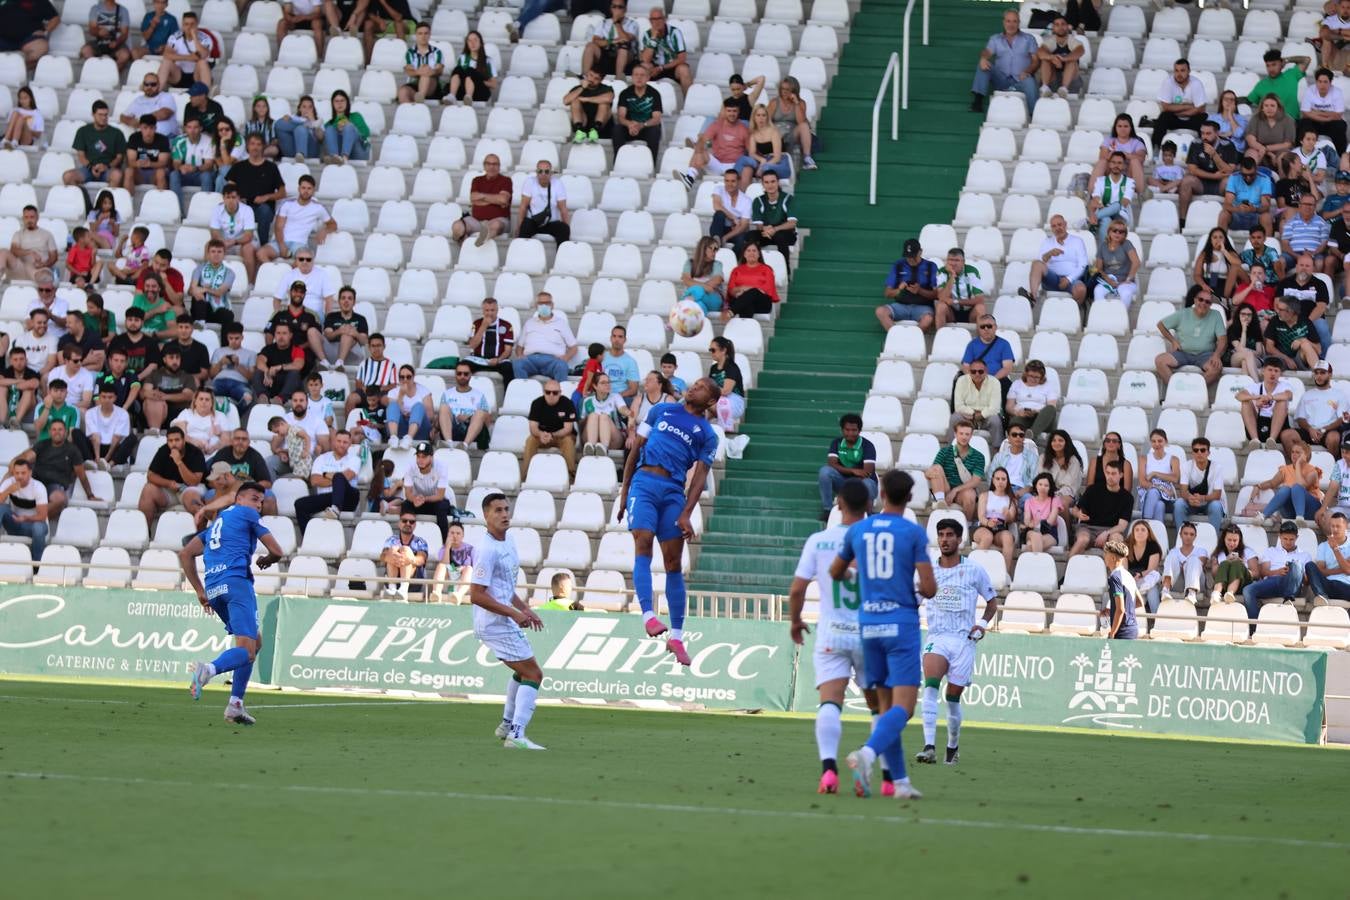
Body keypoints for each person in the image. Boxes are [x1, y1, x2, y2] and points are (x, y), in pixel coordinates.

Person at [833, 469, 936, 800]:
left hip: (869, 625)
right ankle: (867, 753)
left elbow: (836, 571)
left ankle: (901, 783)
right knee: (903, 709)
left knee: (885, 708)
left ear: (880, 492)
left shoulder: (859, 530)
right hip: (900, 624)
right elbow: (930, 588)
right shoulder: (913, 533)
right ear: (909, 497)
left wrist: (864, 570)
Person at [617, 378, 719, 666]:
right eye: (695, 383)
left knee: (674, 563)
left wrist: (687, 511)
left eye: (701, 387)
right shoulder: (662, 411)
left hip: (673, 491)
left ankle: (676, 636)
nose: (694, 387)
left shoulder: (707, 434)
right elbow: (636, 447)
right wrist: (625, 492)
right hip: (644, 483)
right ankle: (648, 615)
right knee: (643, 543)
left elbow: (699, 477)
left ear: (710, 401)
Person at [181, 482, 283, 724]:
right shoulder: (246, 514)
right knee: (247, 650)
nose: (258, 505)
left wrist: (199, 590)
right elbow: (277, 550)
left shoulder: (217, 523)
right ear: (239, 500)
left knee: (253, 642)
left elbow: (185, 554)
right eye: (254, 499)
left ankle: (235, 705)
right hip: (237, 584)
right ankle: (208, 670)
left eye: (261, 501)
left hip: (215, 589)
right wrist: (268, 559)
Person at [916, 518, 997, 767]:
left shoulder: (974, 570)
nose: (944, 539)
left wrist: (981, 625)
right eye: (941, 535)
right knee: (930, 686)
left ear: (959, 539)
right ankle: (929, 746)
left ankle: (952, 747)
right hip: (937, 637)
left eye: (950, 535)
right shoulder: (928, 569)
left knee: (952, 700)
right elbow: (915, 598)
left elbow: (992, 602)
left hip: (963, 641)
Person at [471, 493, 548, 749]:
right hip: (494, 623)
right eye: (497, 510)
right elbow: (476, 595)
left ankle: (507, 725)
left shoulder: (509, 540)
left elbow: (504, 586)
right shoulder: (487, 549)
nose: (504, 514)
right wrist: (514, 614)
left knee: (523, 671)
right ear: (486, 516)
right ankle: (516, 734)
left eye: (506, 509)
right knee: (533, 674)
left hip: (505, 619)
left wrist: (525, 608)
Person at [968, 9, 1038, 113]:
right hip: (1001, 79)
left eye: (1014, 21)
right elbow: (987, 52)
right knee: (983, 65)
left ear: (1019, 23)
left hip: (1021, 79)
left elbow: (1036, 61)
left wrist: (1027, 71)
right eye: (1008, 21)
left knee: (1030, 81)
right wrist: (983, 59)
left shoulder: (1029, 39)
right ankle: (977, 102)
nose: (1011, 24)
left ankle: (1034, 114)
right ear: (1003, 22)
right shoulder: (995, 39)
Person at [1242, 521, 1310, 627]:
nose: (1288, 542)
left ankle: (1288, 597)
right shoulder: (1271, 551)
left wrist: (1296, 571)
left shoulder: (1305, 555)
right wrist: (1278, 572)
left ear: (1297, 537)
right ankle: (1254, 627)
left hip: (1292, 584)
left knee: (1296, 565)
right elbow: (1263, 572)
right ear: (1279, 536)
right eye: (1285, 539)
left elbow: (1306, 581)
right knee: (1247, 590)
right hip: (1273, 582)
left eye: (1291, 539)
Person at [294, 428, 362, 534]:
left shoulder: (355, 459)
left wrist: (326, 475)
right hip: (328, 497)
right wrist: (336, 480)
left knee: (339, 477)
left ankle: (335, 509)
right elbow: (315, 481)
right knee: (299, 504)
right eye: (339, 441)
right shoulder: (321, 458)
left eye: (345, 442)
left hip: (348, 497)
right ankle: (309, 537)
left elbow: (347, 477)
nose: (341, 444)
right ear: (334, 442)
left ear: (350, 444)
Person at [138, 425, 209, 524]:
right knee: (148, 489)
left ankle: (200, 536)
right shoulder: (163, 450)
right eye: (170, 441)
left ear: (184, 440)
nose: (174, 444)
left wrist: (179, 462)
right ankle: (144, 533)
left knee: (191, 498)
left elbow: (194, 482)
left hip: (192, 489)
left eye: (177, 440)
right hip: (170, 490)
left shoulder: (195, 453)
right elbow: (150, 476)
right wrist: (168, 483)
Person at [227, 135, 287, 249]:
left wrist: (266, 197)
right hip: (241, 206)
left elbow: (282, 192)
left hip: (262, 208)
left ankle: (263, 245)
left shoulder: (271, 167)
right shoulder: (238, 167)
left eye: (259, 144)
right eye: (252, 144)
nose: (255, 147)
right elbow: (229, 189)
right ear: (248, 147)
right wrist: (237, 199)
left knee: (264, 211)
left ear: (263, 147)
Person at [1155, 290, 1226, 385]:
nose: (1203, 303)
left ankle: (1195, 389)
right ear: (1195, 300)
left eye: (1207, 302)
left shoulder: (1216, 315)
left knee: (1216, 368)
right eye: (1201, 299)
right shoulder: (1183, 313)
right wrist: (1173, 341)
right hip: (1183, 353)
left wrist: (1216, 355)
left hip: (1205, 355)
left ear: (1210, 304)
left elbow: (1223, 339)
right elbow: (1161, 325)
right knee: (1160, 360)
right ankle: (1174, 389)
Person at [677, 98, 750, 189]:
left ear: (738, 112)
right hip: (717, 164)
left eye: (734, 111)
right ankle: (689, 178)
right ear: (725, 111)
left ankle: (741, 196)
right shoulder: (716, 125)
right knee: (700, 150)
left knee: (747, 167)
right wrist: (699, 150)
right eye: (729, 111)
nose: (732, 114)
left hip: (734, 166)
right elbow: (703, 140)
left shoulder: (743, 129)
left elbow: (750, 151)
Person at [1178, 120, 1238, 228]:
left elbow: (1229, 171)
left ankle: (1229, 221)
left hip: (1220, 183)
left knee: (1230, 182)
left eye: (1208, 133)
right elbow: (1192, 169)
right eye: (1202, 133)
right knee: (1186, 181)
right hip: (1200, 183)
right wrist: (1213, 176)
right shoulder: (1196, 144)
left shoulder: (1228, 145)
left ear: (1217, 133)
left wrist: (1214, 155)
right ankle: (1182, 222)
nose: (1204, 136)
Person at [818, 413, 877, 520]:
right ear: (842, 430)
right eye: (847, 430)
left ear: (859, 431)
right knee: (825, 472)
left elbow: (867, 472)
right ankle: (828, 510)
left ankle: (868, 513)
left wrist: (854, 474)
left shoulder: (868, 445)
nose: (850, 433)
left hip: (862, 484)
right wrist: (853, 471)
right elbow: (831, 464)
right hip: (843, 483)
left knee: (868, 483)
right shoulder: (836, 443)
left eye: (854, 430)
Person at [1284, 360, 1348, 457]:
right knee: (1286, 435)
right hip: (1309, 431)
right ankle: (1297, 467)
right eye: (1316, 373)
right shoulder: (1307, 395)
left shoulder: (1339, 395)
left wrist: (1324, 429)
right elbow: (1300, 418)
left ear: (1330, 375)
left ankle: (1332, 467)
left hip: (1328, 431)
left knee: (1334, 438)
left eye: (1322, 373)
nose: (1319, 376)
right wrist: (1310, 429)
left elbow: (1342, 419)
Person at [1021, 214, 1089, 306]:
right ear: (1051, 229)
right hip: (1052, 280)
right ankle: (1032, 298)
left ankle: (1072, 312)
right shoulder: (1047, 242)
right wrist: (1049, 254)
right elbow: (1040, 262)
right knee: (1036, 264)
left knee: (1081, 290)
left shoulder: (1077, 241)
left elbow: (1083, 265)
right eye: (1054, 226)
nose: (1057, 228)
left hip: (1071, 280)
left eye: (1059, 224)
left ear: (1065, 224)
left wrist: (1068, 279)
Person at [1068, 458, 1131, 555]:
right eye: (1108, 473)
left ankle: (1114, 570)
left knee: (1117, 539)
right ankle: (1069, 567)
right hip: (1088, 528)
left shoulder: (1127, 497)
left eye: (1113, 473)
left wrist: (1106, 533)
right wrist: (1078, 514)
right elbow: (1075, 510)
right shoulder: (1092, 490)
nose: (1110, 476)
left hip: (1111, 530)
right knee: (1083, 539)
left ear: (1121, 475)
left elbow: (1122, 526)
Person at [1250, 439, 1322, 523]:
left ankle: (1300, 518)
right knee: (1285, 489)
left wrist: (1298, 464)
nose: (1294, 455)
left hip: (1310, 509)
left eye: (1298, 452)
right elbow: (1272, 483)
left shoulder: (1312, 471)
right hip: (1291, 511)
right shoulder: (1286, 469)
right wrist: (1258, 486)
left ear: (1305, 455)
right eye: (1292, 452)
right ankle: (1263, 516)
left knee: (1296, 487)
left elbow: (1302, 486)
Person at [876, 237, 938, 332]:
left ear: (920, 252)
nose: (910, 259)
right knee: (880, 311)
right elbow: (887, 293)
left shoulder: (930, 266)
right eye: (908, 256)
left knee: (928, 319)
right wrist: (899, 289)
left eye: (913, 256)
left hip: (923, 307)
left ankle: (913, 338)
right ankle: (896, 336)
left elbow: (936, 294)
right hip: (901, 305)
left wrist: (920, 290)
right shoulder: (898, 265)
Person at [926, 419, 984, 519]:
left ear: (971, 436)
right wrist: (928, 473)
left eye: (967, 434)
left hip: (962, 491)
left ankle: (966, 526)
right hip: (944, 488)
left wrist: (955, 491)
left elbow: (975, 481)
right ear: (955, 434)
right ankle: (940, 502)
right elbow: (931, 471)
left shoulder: (979, 456)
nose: (964, 437)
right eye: (961, 433)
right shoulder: (944, 451)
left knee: (970, 494)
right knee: (936, 468)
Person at [1148, 58, 1208, 153]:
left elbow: (1201, 108)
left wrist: (1176, 109)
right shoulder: (1168, 82)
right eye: (1176, 70)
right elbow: (1166, 107)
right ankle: (1156, 148)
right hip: (1174, 118)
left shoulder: (1196, 83)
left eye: (1182, 70)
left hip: (1192, 118)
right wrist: (1188, 106)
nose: (1179, 74)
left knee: (1203, 118)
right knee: (1164, 116)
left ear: (1189, 71)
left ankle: (1205, 151)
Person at [513, 293, 576, 382]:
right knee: (518, 364)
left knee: (562, 366)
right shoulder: (529, 323)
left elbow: (573, 347)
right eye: (540, 303)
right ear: (536, 305)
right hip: (531, 360)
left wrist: (566, 358)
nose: (544, 306)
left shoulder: (561, 323)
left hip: (553, 361)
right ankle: (524, 393)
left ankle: (560, 394)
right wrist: (520, 355)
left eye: (547, 303)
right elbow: (519, 346)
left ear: (552, 305)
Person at [452, 155, 511, 247]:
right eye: (488, 164)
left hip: (499, 220)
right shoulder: (477, 180)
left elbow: (503, 199)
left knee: (495, 225)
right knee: (457, 226)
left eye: (495, 164)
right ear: (484, 166)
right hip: (477, 221)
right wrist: (495, 199)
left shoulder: (506, 181)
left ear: (499, 166)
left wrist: (482, 196)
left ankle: (476, 245)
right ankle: (466, 245)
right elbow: (473, 198)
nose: (491, 167)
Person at [64, 100, 127, 188]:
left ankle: (106, 200)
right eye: (100, 115)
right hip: (88, 168)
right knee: (68, 176)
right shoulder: (83, 131)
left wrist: (106, 166)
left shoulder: (117, 133)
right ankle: (83, 199)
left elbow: (119, 157)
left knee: (117, 175)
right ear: (93, 115)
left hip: (109, 169)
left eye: (106, 115)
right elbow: (81, 155)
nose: (104, 118)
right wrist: (92, 168)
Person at [523, 379, 578, 478]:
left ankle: (571, 475)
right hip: (542, 436)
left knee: (568, 441)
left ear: (560, 393)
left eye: (555, 392)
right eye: (548, 392)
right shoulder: (536, 403)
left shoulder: (567, 403)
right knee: (530, 440)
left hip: (562, 436)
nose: (551, 395)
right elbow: (533, 427)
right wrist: (541, 434)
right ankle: (526, 475)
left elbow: (568, 429)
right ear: (544, 392)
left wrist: (552, 435)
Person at [1238, 355, 1296, 446]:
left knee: (1282, 402)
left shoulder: (1284, 386)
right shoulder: (1256, 386)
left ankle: (1272, 439)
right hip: (1258, 423)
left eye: (1276, 371)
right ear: (1263, 371)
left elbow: (1288, 395)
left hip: (1278, 427)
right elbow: (1239, 396)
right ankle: (1255, 440)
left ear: (1280, 374)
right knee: (1245, 402)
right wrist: (1257, 397)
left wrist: (1270, 397)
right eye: (1270, 370)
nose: (1273, 373)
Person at [612, 63, 664, 162]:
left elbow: (656, 118)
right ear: (632, 77)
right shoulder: (625, 93)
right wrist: (630, 124)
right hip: (630, 127)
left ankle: (651, 163)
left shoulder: (654, 94)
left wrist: (642, 125)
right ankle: (617, 161)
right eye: (636, 75)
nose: (639, 78)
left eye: (642, 75)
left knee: (655, 131)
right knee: (617, 129)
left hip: (646, 127)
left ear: (648, 77)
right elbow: (621, 117)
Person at [0, 458, 49, 562]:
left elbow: (42, 516)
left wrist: (25, 518)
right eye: (17, 473)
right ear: (13, 473)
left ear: (30, 473)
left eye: (23, 473)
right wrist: (8, 490)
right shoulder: (9, 483)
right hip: (14, 523)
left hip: (33, 525)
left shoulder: (38, 487)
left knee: (38, 527)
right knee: (2, 508)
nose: (20, 476)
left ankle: (36, 564)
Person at [1174, 438, 1226, 535]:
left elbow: (1217, 495)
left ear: (1208, 452)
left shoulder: (1217, 467)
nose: (1199, 453)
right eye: (1196, 450)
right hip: (1192, 503)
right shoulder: (1186, 466)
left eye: (1202, 450)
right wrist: (1190, 498)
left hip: (1209, 504)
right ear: (1192, 453)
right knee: (1179, 503)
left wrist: (1202, 498)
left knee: (1216, 505)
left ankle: (1213, 541)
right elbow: (1183, 491)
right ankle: (1181, 539)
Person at [766, 76, 817, 171]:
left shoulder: (801, 103)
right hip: (776, 135)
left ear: (794, 90)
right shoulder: (774, 102)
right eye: (782, 89)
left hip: (792, 134)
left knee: (804, 126)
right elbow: (766, 121)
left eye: (788, 89)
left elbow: (801, 122)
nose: (784, 92)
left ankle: (807, 158)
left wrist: (796, 103)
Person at [462, 298, 515, 384]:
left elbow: (508, 351)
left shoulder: (506, 325)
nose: (490, 313)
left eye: (492, 310)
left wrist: (498, 359)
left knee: (509, 369)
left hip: (499, 360)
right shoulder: (477, 323)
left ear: (497, 310)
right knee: (462, 367)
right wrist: (483, 326)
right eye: (487, 310)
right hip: (479, 359)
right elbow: (472, 345)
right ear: (483, 311)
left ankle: (508, 396)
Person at [951, 359, 1003, 447]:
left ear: (986, 371)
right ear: (969, 372)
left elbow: (995, 408)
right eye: (973, 371)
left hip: (987, 417)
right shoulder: (961, 381)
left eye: (980, 371)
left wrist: (981, 414)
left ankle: (997, 451)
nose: (977, 374)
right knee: (955, 418)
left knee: (995, 420)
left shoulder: (994, 382)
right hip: (967, 416)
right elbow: (958, 406)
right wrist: (973, 413)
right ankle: (951, 449)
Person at [1087, 151, 1135, 245]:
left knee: (1117, 205)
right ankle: (1103, 252)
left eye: (1119, 163)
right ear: (1109, 164)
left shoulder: (1129, 182)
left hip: (1121, 216)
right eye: (1113, 162)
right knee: (1106, 220)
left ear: (1124, 166)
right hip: (1104, 212)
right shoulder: (1101, 181)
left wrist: (1101, 211)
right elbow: (1096, 197)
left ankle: (1092, 220)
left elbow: (1125, 201)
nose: (1116, 165)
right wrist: (1101, 206)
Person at [379, 509, 428, 599]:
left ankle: (403, 589)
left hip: (413, 582)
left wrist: (410, 559)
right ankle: (392, 588)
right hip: (392, 576)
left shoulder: (420, 542)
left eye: (411, 522)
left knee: (405, 550)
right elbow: (382, 556)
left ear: (415, 525)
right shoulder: (391, 540)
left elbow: (422, 559)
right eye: (404, 521)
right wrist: (392, 556)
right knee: (393, 550)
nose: (408, 523)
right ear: (399, 523)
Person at [1004, 360, 1058, 443]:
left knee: (1050, 409)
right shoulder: (1017, 384)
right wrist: (1017, 413)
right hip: (1023, 416)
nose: (1033, 379)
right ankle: (1027, 435)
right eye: (1030, 376)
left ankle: (1031, 434)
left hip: (1042, 418)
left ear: (1042, 377)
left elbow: (1052, 405)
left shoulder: (1048, 385)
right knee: (1014, 421)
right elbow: (1009, 406)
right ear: (1026, 374)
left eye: (1036, 377)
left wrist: (1037, 411)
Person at [516, 160, 570, 243]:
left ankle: (561, 255)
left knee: (564, 229)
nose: (543, 174)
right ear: (536, 173)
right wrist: (518, 227)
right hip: (533, 221)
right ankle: (522, 254)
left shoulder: (558, 183)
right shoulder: (530, 182)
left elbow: (563, 209)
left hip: (551, 223)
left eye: (547, 171)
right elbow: (523, 206)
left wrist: (567, 228)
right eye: (540, 171)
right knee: (524, 227)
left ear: (551, 173)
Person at [1092, 114, 1148, 193]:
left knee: (1135, 161)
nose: (1122, 129)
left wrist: (1125, 155)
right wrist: (1115, 156)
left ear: (1131, 128)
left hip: (1128, 175)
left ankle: (1140, 193)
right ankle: (1093, 193)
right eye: (1120, 126)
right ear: (1115, 127)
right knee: (1102, 162)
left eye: (1126, 126)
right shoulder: (1108, 140)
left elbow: (1141, 158)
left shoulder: (1137, 142)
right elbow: (1102, 157)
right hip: (1110, 173)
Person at [1265, 295, 1322, 372]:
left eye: (1281, 309)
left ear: (1291, 311)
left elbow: (1318, 350)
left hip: (1301, 359)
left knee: (1305, 345)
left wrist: (1303, 340)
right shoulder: (1275, 321)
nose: (1277, 311)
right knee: (1272, 361)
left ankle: (1319, 375)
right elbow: (1269, 348)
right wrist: (1287, 359)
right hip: (1281, 359)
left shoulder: (1305, 322)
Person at [1220, 157, 1276, 235]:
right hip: (1237, 215)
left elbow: (1266, 206)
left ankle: (1268, 246)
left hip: (1256, 216)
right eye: (1244, 175)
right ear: (1240, 171)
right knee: (1224, 215)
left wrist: (1254, 209)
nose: (1248, 178)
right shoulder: (1234, 177)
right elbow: (1226, 205)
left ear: (1256, 170)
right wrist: (1237, 209)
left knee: (1266, 217)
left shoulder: (1264, 179)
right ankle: (1222, 245)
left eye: (1251, 175)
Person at [974, 466, 1018, 567]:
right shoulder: (985, 495)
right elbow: (981, 516)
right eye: (997, 479)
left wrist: (1007, 514)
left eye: (1003, 479)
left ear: (1007, 481)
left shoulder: (1011, 499)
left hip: (1001, 528)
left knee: (1008, 537)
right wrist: (988, 523)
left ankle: (1005, 573)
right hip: (984, 527)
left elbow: (1011, 519)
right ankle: (976, 570)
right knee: (987, 537)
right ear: (993, 480)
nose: (1000, 482)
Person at [1248, 50, 1310, 120]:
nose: (1271, 69)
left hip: (1293, 122)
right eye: (1268, 66)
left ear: (1281, 64)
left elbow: (1306, 60)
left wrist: (1287, 60)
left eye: (1274, 64)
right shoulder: (1261, 85)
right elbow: (1249, 101)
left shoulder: (1291, 75)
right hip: (1270, 125)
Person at [639, 6, 689, 91]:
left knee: (684, 69)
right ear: (650, 21)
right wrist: (653, 38)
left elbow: (682, 58)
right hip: (654, 68)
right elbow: (645, 60)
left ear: (664, 19)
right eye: (653, 19)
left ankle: (688, 100)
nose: (656, 22)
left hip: (672, 67)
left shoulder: (675, 32)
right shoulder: (647, 35)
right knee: (644, 67)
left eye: (659, 18)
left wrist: (662, 68)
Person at [582, 1, 637, 78]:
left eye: (620, 7)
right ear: (611, 8)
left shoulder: (632, 23)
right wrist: (612, 41)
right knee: (590, 46)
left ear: (625, 9)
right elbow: (596, 40)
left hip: (625, 55)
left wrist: (617, 23)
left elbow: (626, 39)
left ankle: (618, 78)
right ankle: (585, 76)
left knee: (623, 47)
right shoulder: (604, 22)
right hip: (606, 53)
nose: (617, 10)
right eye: (614, 7)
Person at [158, 12, 213, 89]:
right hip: (178, 75)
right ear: (183, 25)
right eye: (186, 24)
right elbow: (167, 54)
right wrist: (189, 57)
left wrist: (194, 37)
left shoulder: (205, 38)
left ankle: (205, 94)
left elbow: (203, 54)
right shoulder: (175, 37)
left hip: (197, 76)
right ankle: (156, 91)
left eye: (192, 24)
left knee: (202, 62)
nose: (189, 27)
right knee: (166, 61)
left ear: (197, 25)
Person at [725, 242, 778, 320]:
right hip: (740, 299)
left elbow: (767, 289)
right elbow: (731, 289)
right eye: (748, 250)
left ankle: (731, 312)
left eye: (754, 251)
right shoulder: (736, 270)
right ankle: (746, 330)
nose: (751, 253)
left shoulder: (767, 269)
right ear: (744, 254)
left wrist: (747, 290)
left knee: (753, 292)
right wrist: (742, 289)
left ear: (759, 254)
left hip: (761, 303)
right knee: (747, 303)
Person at [84, 384, 133, 469]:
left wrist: (106, 459)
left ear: (115, 398)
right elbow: (95, 437)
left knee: (132, 438)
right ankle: (92, 462)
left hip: (113, 449)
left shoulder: (122, 413)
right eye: (104, 397)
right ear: (99, 397)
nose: (107, 400)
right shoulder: (90, 413)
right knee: (76, 433)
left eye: (110, 397)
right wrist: (98, 458)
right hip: (96, 446)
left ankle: (110, 464)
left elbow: (117, 438)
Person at [1101, 539, 1143, 640]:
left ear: (1113, 557)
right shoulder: (1128, 575)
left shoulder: (1115, 577)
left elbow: (1120, 610)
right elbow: (1139, 602)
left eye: (1106, 554)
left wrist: (1112, 633)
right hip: (1133, 629)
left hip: (1122, 632)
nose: (1104, 557)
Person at [1136, 428, 1179, 524]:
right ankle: (1157, 536)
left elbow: (1175, 478)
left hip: (1168, 498)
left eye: (1160, 441)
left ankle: (1144, 525)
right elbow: (1143, 482)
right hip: (1149, 495)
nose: (1157, 444)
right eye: (1153, 441)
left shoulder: (1173, 459)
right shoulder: (1144, 458)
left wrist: (1155, 473)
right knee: (1159, 504)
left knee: (1154, 494)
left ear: (1166, 442)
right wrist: (1161, 488)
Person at [0, 0, 58, 70]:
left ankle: (16, 69)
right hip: (3, 38)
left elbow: (55, 19)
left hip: (29, 38)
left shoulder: (40, 1)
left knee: (41, 48)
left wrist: (45, 31)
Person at [1160, 522, 1208, 606]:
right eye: (1185, 533)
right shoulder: (1173, 551)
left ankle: (1192, 593)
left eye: (1191, 534)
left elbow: (1200, 565)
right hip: (1177, 582)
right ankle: (1165, 590)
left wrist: (1183, 565)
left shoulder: (1201, 551)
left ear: (1195, 536)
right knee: (1171, 556)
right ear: (1180, 535)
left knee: (1194, 559)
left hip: (1197, 583)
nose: (1188, 536)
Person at [934, 247, 985, 326]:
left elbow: (980, 299)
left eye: (957, 260)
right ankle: (940, 337)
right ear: (947, 261)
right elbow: (942, 297)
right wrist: (952, 276)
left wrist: (956, 301)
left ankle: (980, 338)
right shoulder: (942, 272)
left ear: (963, 262)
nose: (953, 263)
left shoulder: (972, 271)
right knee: (940, 306)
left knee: (980, 308)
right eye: (950, 260)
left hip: (970, 312)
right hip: (951, 312)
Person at [119, 69, 178, 137]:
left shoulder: (166, 96)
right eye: (146, 84)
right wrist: (131, 122)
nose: (149, 87)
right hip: (145, 138)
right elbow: (123, 117)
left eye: (153, 84)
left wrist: (141, 121)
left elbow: (164, 114)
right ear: (143, 85)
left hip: (166, 136)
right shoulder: (138, 100)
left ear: (158, 85)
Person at [1035, 14, 1082, 99]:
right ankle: (1045, 88)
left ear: (1068, 26)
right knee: (1045, 60)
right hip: (1053, 79)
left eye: (1063, 24)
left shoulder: (1073, 41)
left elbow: (1080, 51)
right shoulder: (1050, 41)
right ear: (1053, 28)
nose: (1060, 27)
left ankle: (1064, 89)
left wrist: (1064, 59)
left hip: (1071, 81)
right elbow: (1040, 52)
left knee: (1072, 61)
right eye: (1057, 25)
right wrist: (1052, 58)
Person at [1309, 511, 1350, 607]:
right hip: (1328, 584)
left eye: (1338, 526)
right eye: (1332, 526)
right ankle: (1321, 595)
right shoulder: (1323, 546)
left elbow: (1347, 569)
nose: (1334, 529)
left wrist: (1335, 549)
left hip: (1346, 586)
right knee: (1310, 566)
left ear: (1346, 526)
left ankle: (1322, 595)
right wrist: (1342, 570)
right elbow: (1320, 571)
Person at [563, 68, 614, 145]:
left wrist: (585, 99)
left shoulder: (606, 89)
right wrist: (582, 88)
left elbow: (609, 98)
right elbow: (566, 101)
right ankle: (579, 131)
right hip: (584, 122)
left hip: (602, 127)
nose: (592, 79)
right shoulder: (578, 88)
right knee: (575, 101)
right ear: (587, 74)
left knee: (604, 103)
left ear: (601, 80)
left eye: (596, 78)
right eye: (591, 75)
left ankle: (595, 131)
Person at [430, 520, 475, 604]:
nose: (455, 536)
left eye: (458, 533)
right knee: (441, 566)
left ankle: (458, 595)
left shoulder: (470, 549)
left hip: (464, 581)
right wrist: (447, 547)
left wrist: (462, 569)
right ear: (448, 534)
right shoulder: (443, 549)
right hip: (448, 578)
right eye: (452, 533)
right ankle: (436, 593)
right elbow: (445, 564)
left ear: (462, 536)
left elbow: (475, 568)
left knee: (469, 568)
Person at [1212, 524, 1258, 607]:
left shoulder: (1248, 551)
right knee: (1225, 563)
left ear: (1239, 540)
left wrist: (1243, 567)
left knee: (1237, 563)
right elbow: (1214, 574)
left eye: (1235, 540)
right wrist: (1226, 560)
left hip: (1243, 584)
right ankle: (1216, 593)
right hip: (1224, 585)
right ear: (1224, 539)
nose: (1232, 543)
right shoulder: (1219, 553)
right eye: (1229, 540)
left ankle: (1230, 593)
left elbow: (1256, 574)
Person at [1246, 94, 1297, 169]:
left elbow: (1287, 144)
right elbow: (1251, 140)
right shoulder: (1256, 118)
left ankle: (1283, 180)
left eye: (1272, 106)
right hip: (1258, 148)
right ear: (1262, 107)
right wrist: (1264, 150)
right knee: (1251, 155)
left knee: (1284, 157)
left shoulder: (1288, 120)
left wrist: (1266, 149)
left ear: (1278, 107)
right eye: (1266, 106)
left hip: (1280, 150)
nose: (1269, 108)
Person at [447, 30, 497, 102]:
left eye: (475, 40)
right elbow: (456, 76)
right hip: (463, 91)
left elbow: (494, 84)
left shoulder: (488, 60)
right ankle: (452, 96)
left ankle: (468, 97)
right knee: (458, 69)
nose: (472, 43)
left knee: (470, 71)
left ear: (481, 43)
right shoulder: (462, 58)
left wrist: (478, 80)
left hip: (480, 92)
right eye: (469, 41)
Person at [321, 89, 369, 164]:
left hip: (358, 151)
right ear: (332, 104)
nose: (339, 103)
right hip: (338, 152)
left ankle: (344, 158)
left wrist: (349, 126)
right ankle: (335, 158)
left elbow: (366, 133)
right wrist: (338, 130)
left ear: (347, 102)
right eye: (336, 101)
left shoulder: (356, 116)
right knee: (330, 129)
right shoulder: (329, 124)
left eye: (342, 100)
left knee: (348, 127)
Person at [1125, 520, 1163, 613]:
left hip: (1146, 577)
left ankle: (1156, 618)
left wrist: (1140, 575)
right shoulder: (1125, 546)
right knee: (1151, 588)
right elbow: (1124, 570)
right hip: (1131, 578)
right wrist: (1132, 578)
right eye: (1137, 530)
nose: (1139, 532)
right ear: (1133, 533)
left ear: (1148, 533)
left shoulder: (1153, 546)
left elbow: (1151, 569)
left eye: (1143, 530)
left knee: (1153, 582)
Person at [681, 236, 725, 314]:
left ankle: (679, 315)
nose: (714, 252)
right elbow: (686, 280)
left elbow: (716, 280)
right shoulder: (690, 263)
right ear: (703, 249)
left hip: (713, 299)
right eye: (711, 248)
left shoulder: (717, 264)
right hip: (699, 300)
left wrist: (696, 286)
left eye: (716, 250)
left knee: (697, 290)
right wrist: (706, 287)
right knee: (699, 306)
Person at [82, 0, 131, 69]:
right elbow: (92, 30)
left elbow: (124, 34)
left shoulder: (123, 10)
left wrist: (117, 42)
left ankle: (111, 74)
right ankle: (96, 71)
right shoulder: (95, 8)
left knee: (124, 55)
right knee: (85, 50)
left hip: (116, 44)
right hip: (98, 42)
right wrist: (98, 32)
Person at [1041, 429, 1083, 509]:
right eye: (1054, 440)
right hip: (1045, 491)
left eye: (1060, 440)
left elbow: (1069, 485)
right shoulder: (1043, 458)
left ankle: (1065, 522)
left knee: (1060, 503)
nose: (1057, 443)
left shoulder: (1073, 460)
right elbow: (1041, 478)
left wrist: (1055, 495)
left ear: (1066, 443)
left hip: (1067, 493)